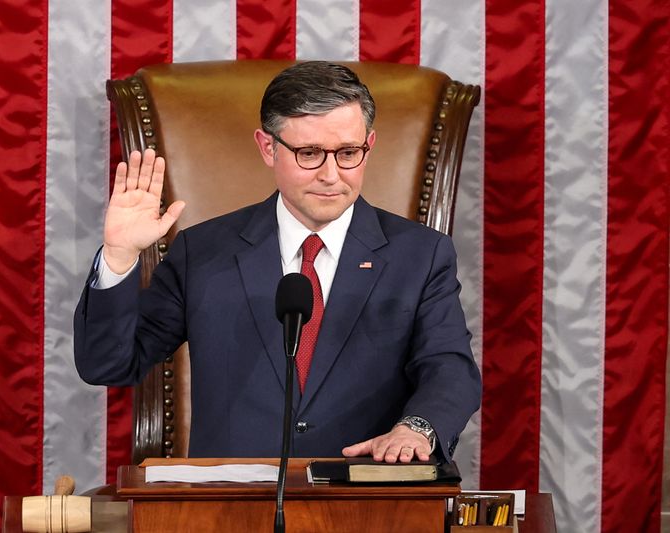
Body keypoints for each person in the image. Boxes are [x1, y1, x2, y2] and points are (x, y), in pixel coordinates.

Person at [74, 61, 481, 464]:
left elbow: (450, 369)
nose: (330, 174)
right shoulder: (202, 251)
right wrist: (119, 256)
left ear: (369, 146)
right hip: (231, 510)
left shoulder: (420, 255)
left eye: (348, 153)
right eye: (309, 153)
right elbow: (110, 365)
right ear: (268, 147)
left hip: (365, 498)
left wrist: (417, 427)